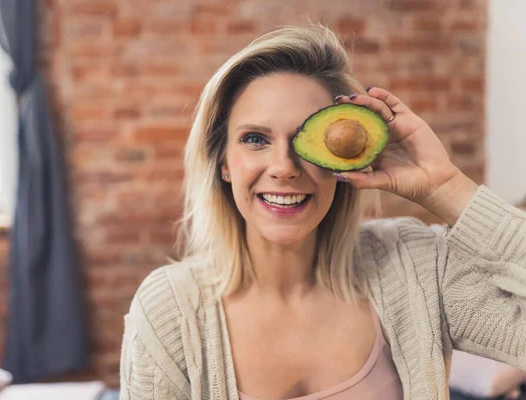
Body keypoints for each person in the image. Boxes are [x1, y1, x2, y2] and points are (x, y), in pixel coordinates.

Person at [119, 23, 526, 400]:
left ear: (344, 160)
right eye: (256, 138)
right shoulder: (169, 309)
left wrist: (446, 187)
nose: (282, 168)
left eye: (304, 141)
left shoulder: (415, 265)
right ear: (223, 162)